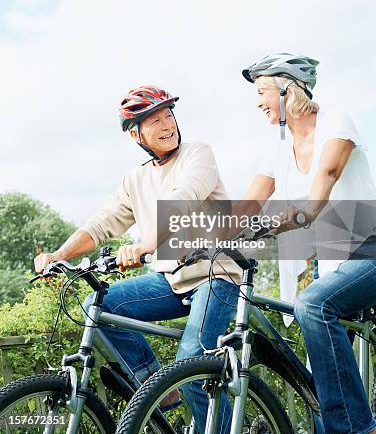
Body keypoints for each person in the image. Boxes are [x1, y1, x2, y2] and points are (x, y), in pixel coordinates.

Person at [34, 84, 240, 425]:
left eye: (168, 115)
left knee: (191, 357)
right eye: (154, 120)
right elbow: (103, 223)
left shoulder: (198, 154)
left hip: (214, 274)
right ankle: (156, 384)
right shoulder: (136, 178)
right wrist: (59, 253)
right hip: (171, 281)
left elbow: (184, 196)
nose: (166, 124)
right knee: (99, 305)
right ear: (135, 134)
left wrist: (147, 244)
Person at [240, 53, 376, 434]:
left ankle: (358, 430)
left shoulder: (336, 123)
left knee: (312, 305)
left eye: (263, 91)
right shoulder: (278, 147)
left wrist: (278, 222)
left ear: (288, 88)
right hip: (332, 264)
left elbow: (321, 190)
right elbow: (247, 203)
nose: (258, 101)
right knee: (321, 367)